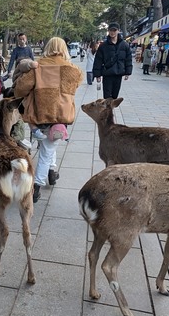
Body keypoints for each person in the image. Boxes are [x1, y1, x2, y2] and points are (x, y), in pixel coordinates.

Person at [15, 37, 82, 203]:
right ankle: (37, 186)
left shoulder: (38, 66)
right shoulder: (72, 69)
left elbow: (21, 88)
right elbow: (77, 84)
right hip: (60, 117)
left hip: (40, 115)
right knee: (48, 150)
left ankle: (50, 173)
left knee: (47, 146)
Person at [93, 22, 132, 99]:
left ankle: (111, 110)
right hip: (107, 74)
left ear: (118, 31)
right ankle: (108, 111)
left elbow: (128, 59)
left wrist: (128, 72)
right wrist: (97, 75)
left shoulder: (124, 45)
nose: (112, 32)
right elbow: (98, 60)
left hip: (118, 74)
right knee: (107, 97)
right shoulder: (103, 46)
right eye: (111, 30)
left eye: (114, 30)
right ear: (108, 31)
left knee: (115, 96)